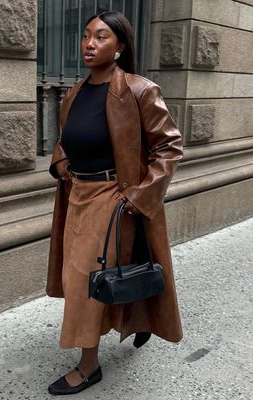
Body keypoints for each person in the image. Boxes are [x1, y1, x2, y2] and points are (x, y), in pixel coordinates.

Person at [46, 11, 183, 396]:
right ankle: (137, 317)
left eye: (101, 37)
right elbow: (66, 140)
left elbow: (169, 147)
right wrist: (61, 163)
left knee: (85, 282)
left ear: (119, 47)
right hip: (77, 196)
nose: (90, 43)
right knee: (96, 275)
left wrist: (138, 196)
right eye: (86, 36)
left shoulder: (139, 90)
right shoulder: (74, 93)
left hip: (113, 197)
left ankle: (88, 366)